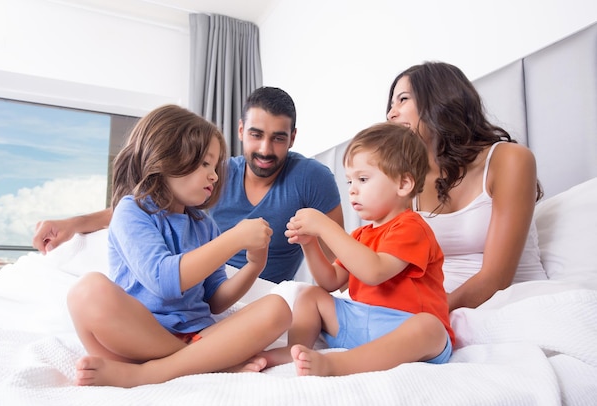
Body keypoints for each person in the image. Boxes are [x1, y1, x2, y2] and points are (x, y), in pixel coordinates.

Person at [67, 104, 291, 387]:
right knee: (86, 292)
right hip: (139, 338)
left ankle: (158, 371)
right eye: (205, 164)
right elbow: (163, 279)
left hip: (198, 336)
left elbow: (215, 300)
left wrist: (254, 265)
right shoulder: (132, 211)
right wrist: (233, 238)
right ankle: (204, 362)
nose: (215, 175)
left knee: (279, 309)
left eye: (215, 166)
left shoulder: (204, 224)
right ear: (166, 159)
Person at [32, 87, 343, 284]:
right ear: (240, 130)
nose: (264, 149)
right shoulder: (216, 174)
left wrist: (311, 238)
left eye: (278, 138)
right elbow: (146, 206)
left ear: (293, 138)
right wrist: (73, 223)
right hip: (195, 277)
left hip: (249, 289)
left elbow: (339, 265)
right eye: (256, 134)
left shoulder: (312, 178)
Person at [262, 122, 453, 377]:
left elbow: (374, 271)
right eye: (350, 180)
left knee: (431, 328)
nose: (352, 189)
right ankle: (295, 348)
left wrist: (326, 227)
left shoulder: (411, 227)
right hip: (361, 323)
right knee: (309, 295)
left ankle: (336, 364)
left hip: (402, 328)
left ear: (404, 184)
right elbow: (330, 282)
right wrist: (310, 244)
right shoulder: (361, 236)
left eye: (363, 179)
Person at [386, 61, 548, 311]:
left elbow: (497, 278)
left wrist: (428, 315)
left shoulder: (509, 159)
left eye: (402, 99)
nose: (391, 113)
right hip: (439, 314)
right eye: (391, 105)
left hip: (514, 305)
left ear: (439, 100)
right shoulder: (407, 184)